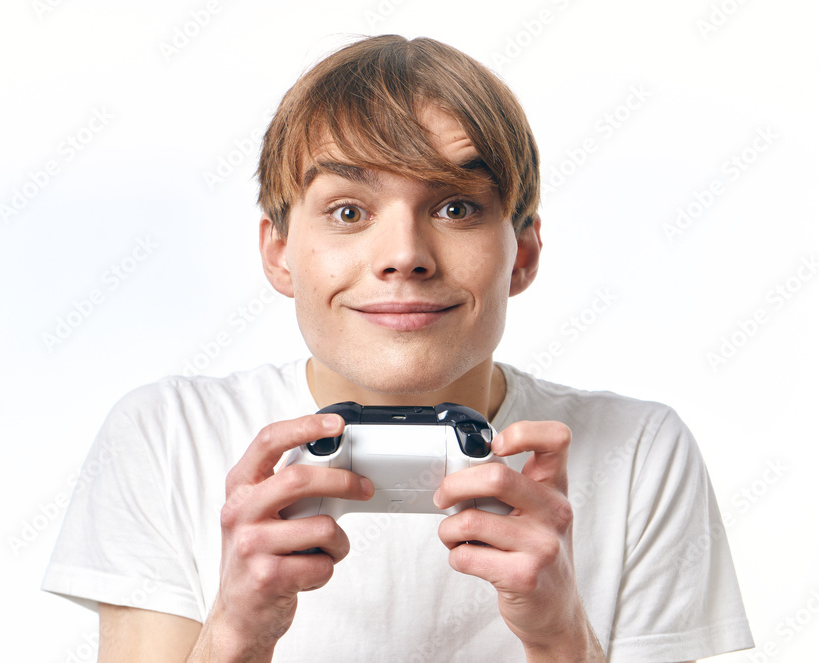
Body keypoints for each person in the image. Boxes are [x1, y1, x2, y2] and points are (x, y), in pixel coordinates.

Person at [42, 34, 754, 661]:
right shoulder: (168, 436)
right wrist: (238, 632)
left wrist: (560, 637)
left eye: (456, 207)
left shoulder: (640, 450)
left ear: (524, 252)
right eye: (349, 211)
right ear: (280, 252)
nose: (404, 255)